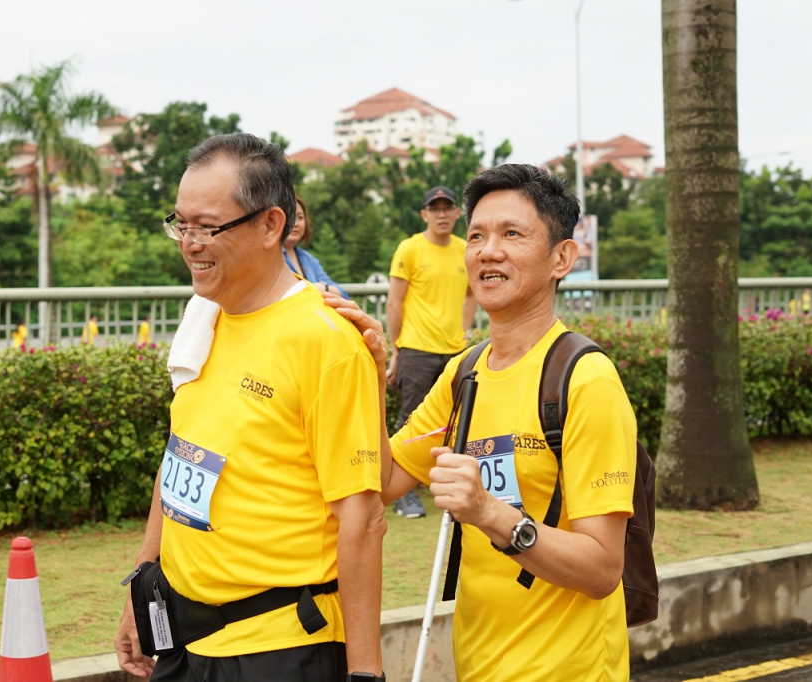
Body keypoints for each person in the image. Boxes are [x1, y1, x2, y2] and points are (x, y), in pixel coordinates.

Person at [329, 164, 637, 681]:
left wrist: (489, 513)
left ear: (561, 257)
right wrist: (367, 372)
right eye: (476, 236)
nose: (487, 251)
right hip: (478, 665)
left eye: (512, 234)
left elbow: (604, 570)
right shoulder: (464, 373)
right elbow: (381, 481)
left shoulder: (586, 381)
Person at [114, 133, 386, 682]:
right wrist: (143, 591)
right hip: (188, 639)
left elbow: (361, 517)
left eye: (208, 227)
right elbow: (180, 460)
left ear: (270, 225)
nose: (189, 243)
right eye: (181, 224)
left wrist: (365, 673)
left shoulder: (324, 340)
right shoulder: (204, 319)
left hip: (280, 645)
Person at [387, 186, 476, 518]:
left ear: (457, 213)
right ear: (424, 214)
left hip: (456, 351)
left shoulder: (465, 250)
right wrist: (397, 349)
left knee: (459, 421)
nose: (441, 214)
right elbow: (394, 302)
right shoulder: (409, 249)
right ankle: (401, 495)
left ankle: (454, 490)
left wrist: (465, 329)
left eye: (447, 207)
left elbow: (472, 294)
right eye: (434, 208)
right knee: (410, 419)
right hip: (416, 348)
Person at [282, 195, 347, 297]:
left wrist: (323, 287)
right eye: (290, 217)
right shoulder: (270, 258)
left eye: (300, 217)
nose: (296, 223)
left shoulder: (308, 258)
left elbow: (342, 294)